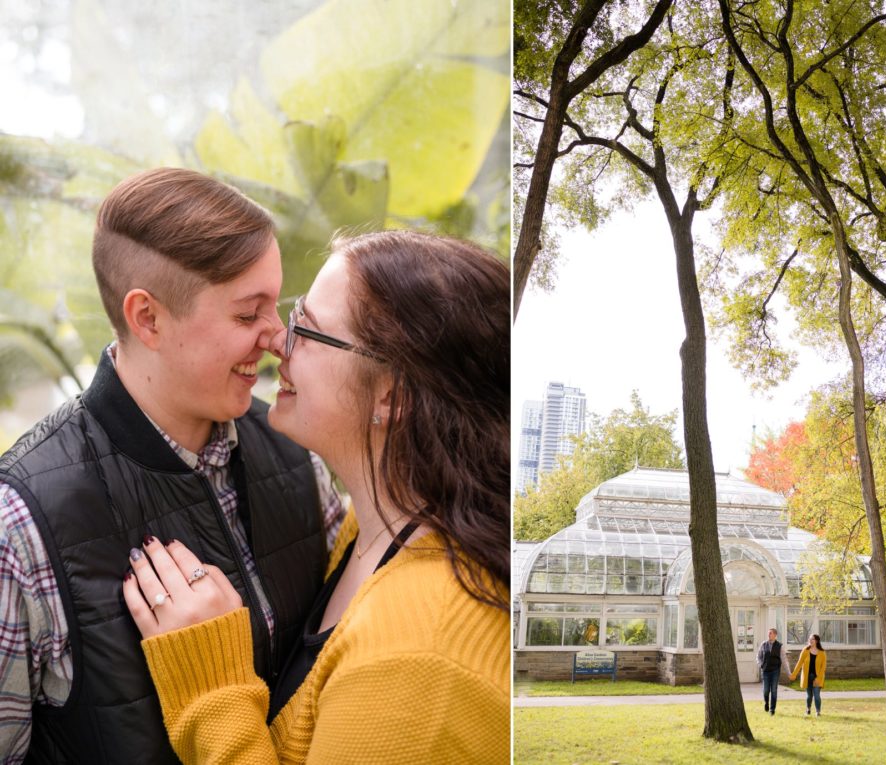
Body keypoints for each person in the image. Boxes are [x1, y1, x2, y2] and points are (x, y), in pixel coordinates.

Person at [122, 230, 511, 764]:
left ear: (391, 395)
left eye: (307, 328)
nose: (278, 340)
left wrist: (213, 696)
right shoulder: (369, 528)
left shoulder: (417, 658)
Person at [0, 169, 342, 764]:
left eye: (277, 306)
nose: (277, 339)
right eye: (246, 315)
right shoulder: (19, 527)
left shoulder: (298, 453)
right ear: (148, 319)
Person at [790, 633, 827, 716]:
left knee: (817, 695)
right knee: (809, 696)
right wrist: (794, 674)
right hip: (807, 677)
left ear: (816, 641)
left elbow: (823, 667)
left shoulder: (822, 652)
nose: (810, 640)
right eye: (809, 639)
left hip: (817, 677)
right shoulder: (805, 650)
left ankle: (818, 712)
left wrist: (818, 678)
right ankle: (808, 709)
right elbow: (799, 663)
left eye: (812, 639)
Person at [756, 627, 790, 715]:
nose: (769, 634)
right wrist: (761, 665)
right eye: (768, 633)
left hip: (775, 671)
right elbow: (758, 657)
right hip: (765, 671)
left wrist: (788, 673)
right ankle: (766, 702)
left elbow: (784, 660)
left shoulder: (780, 646)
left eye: (770, 633)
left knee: (774, 690)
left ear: (775, 635)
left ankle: (772, 710)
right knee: (766, 690)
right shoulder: (763, 644)